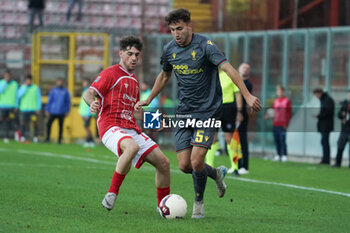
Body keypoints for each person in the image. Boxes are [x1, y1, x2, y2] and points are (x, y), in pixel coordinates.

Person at [135, 8, 261, 218]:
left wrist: (247, 95)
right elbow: (164, 76)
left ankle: (198, 203)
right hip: (184, 112)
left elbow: (229, 69)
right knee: (185, 165)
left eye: (180, 28)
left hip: (208, 112)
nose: (176, 33)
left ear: (189, 26)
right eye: (173, 29)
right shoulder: (169, 50)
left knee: (196, 161)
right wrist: (149, 98)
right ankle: (217, 174)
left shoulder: (205, 46)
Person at [83, 36, 171, 211]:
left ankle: (163, 206)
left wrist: (155, 122)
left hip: (130, 128)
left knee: (164, 163)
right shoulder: (110, 73)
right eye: (130, 54)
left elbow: (134, 111)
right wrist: (91, 102)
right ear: (121, 53)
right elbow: (89, 93)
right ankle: (111, 194)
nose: (133, 58)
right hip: (110, 127)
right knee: (131, 148)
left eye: (137, 55)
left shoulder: (134, 81)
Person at [205, 67, 243, 176]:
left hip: (228, 109)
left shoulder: (230, 75)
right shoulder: (211, 76)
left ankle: (235, 167)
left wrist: (239, 111)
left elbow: (237, 93)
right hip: (214, 109)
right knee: (212, 138)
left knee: (229, 138)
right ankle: (209, 166)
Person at [265, 85, 292, 162]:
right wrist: (268, 116)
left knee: (282, 140)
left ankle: (284, 155)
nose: (278, 92)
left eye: (280, 90)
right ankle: (278, 154)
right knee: (276, 140)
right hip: (275, 123)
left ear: (283, 91)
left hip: (283, 124)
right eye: (277, 90)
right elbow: (273, 112)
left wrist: (286, 123)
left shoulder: (287, 101)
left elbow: (289, 113)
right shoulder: (275, 101)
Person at [45, 78, 71, 144]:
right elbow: (50, 101)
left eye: (61, 82)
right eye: (59, 82)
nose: (60, 83)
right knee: (49, 124)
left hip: (61, 112)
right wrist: (47, 109)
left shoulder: (65, 91)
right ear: (57, 82)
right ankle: (47, 138)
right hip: (53, 111)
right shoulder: (53, 91)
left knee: (61, 126)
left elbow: (67, 102)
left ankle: (59, 140)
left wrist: (67, 110)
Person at [237, 63, 252, 174]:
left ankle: (244, 166)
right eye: (244, 67)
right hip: (233, 115)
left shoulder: (247, 84)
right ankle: (236, 165)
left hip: (241, 115)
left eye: (247, 68)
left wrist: (239, 113)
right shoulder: (236, 82)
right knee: (235, 141)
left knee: (242, 140)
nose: (246, 70)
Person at [313, 88, 334, 165]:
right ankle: (325, 159)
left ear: (320, 93)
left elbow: (328, 112)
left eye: (316, 94)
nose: (316, 96)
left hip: (326, 125)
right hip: (323, 125)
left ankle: (326, 160)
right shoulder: (324, 100)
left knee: (325, 142)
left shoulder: (327, 100)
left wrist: (319, 115)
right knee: (324, 142)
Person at [18, 74, 41, 143]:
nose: (28, 81)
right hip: (24, 109)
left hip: (33, 109)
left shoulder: (35, 88)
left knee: (35, 123)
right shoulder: (22, 87)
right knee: (23, 123)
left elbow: (38, 98)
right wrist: (25, 87)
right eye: (27, 80)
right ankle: (22, 137)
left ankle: (35, 137)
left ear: (31, 80)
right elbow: (19, 96)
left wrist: (38, 108)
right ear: (26, 80)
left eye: (30, 80)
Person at [0, 70, 19, 143]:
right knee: (1, 120)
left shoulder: (15, 84)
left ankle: (6, 136)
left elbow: (16, 96)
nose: (7, 77)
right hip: (2, 105)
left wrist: (16, 106)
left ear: (10, 76)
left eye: (8, 76)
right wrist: (5, 83)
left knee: (8, 121)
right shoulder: (1, 83)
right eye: (5, 76)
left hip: (11, 106)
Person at [333, 91, 350, 168]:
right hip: (344, 129)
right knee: (340, 145)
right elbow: (339, 115)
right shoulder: (345, 104)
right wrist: (342, 116)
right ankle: (338, 163)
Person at [78, 78, 95, 147]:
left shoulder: (89, 91)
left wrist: (88, 113)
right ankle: (90, 141)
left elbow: (89, 103)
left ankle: (89, 141)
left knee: (87, 127)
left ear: (88, 83)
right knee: (86, 127)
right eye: (83, 83)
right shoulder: (84, 91)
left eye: (85, 83)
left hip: (87, 114)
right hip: (83, 113)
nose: (84, 84)